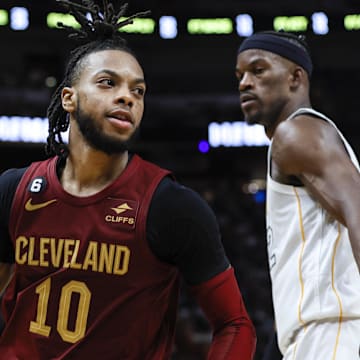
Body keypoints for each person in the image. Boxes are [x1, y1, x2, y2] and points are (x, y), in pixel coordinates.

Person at [0, 1, 257, 359]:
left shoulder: (171, 206)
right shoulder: (14, 190)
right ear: (69, 98)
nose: (127, 96)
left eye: (138, 91)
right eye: (108, 83)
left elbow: (234, 325)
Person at [235, 30, 360, 359]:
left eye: (258, 70)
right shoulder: (303, 137)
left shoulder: (297, 133)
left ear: (295, 78)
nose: (245, 82)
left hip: (331, 332)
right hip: (318, 336)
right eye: (240, 75)